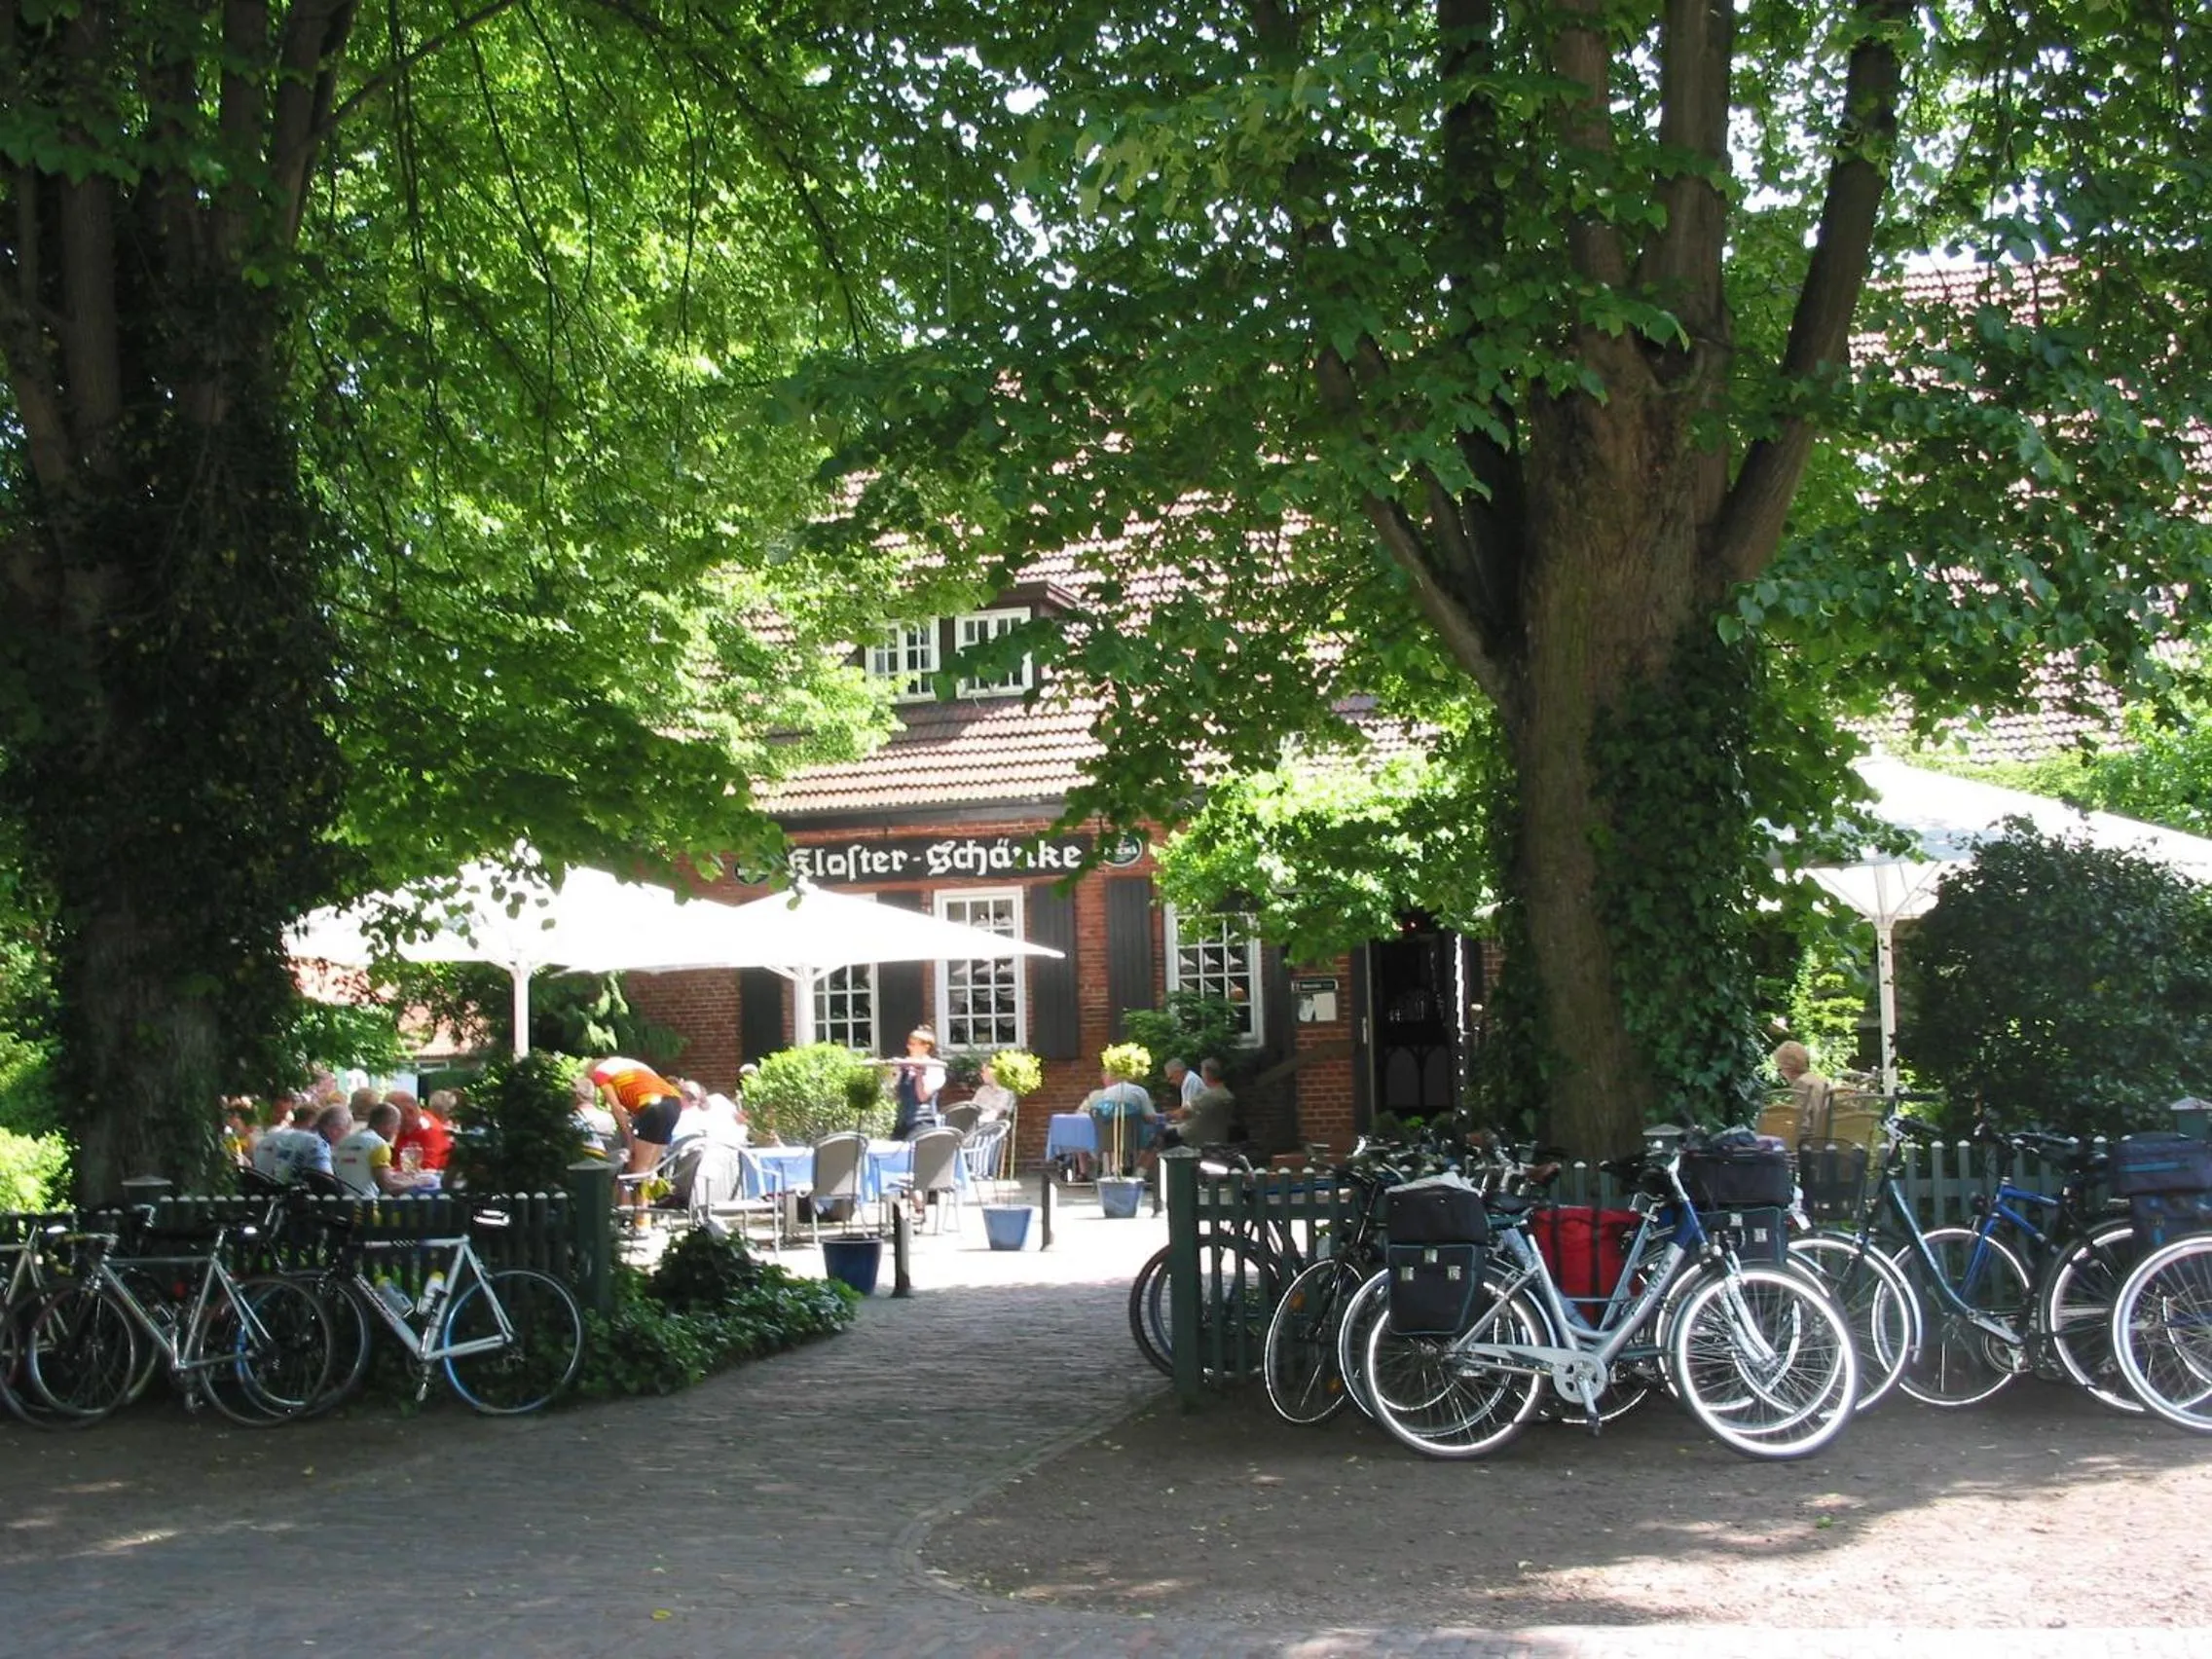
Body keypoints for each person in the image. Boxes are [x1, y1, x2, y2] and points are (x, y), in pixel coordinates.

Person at [589, 1056, 684, 1210]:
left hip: (653, 1106)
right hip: (674, 1103)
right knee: (648, 1170)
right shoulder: (632, 1065)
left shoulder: (601, 1073)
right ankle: (642, 1215)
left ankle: (638, 1219)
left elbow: (616, 1109)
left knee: (637, 1172)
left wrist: (629, 1139)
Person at [333, 1102, 437, 1198]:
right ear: (388, 1125)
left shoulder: (345, 1141)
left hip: (344, 1206)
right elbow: (388, 1187)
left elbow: (361, 1172)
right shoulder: (378, 1144)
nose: (396, 1132)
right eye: (397, 1126)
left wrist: (396, 1176)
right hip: (367, 1208)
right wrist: (420, 1182)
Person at [1082, 1067, 1156, 1178]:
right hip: (1133, 1139)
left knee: (1114, 1142)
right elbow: (1151, 1118)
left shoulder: (1106, 1093)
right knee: (1156, 1141)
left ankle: (1113, 1172)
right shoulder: (1139, 1091)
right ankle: (1138, 1175)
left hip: (1107, 1140)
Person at [253, 1099, 335, 1185]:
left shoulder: (266, 1139)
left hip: (259, 1193)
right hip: (292, 1195)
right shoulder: (314, 1143)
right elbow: (328, 1182)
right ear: (312, 1122)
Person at [886, 1027, 946, 1140]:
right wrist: (896, 1073)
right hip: (902, 1124)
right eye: (909, 1044)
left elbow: (922, 1096)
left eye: (913, 1044)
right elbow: (895, 1096)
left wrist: (919, 1073)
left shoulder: (934, 1067)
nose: (909, 1047)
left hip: (923, 1123)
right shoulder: (906, 1065)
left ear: (926, 1047)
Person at [388, 1088, 454, 1175]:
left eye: (394, 1115)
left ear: (410, 1111)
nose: (391, 1121)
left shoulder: (428, 1130)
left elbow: (426, 1171)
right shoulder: (406, 1128)